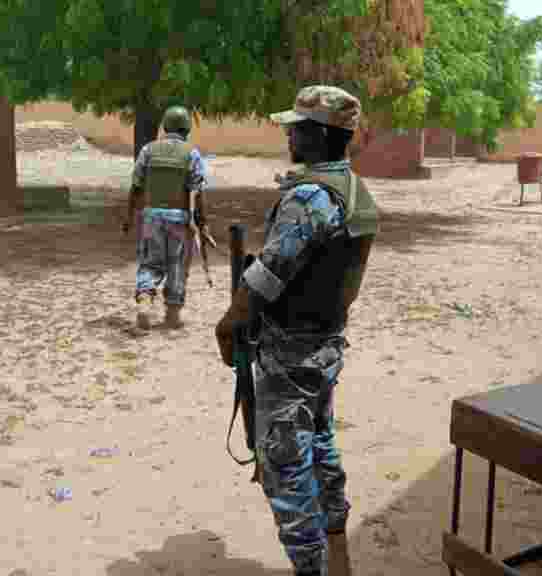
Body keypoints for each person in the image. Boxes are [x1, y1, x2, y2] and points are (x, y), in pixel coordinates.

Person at [214, 85, 379, 576]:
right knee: (322, 447)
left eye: (297, 127)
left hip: (290, 355)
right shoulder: (352, 189)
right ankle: (340, 561)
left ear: (319, 134)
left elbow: (270, 273)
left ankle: (315, 567)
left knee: (286, 473)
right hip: (326, 346)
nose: (289, 132)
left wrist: (230, 323)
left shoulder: (309, 198)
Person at [122, 105, 210, 330]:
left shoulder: (148, 150)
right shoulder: (192, 154)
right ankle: (172, 315)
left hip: (151, 217)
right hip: (180, 220)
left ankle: (144, 303)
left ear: (165, 126)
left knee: (150, 263)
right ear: (187, 128)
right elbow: (197, 192)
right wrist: (202, 223)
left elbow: (135, 187)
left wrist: (129, 216)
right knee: (177, 266)